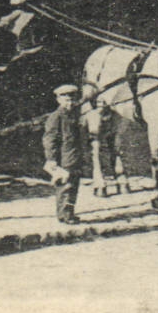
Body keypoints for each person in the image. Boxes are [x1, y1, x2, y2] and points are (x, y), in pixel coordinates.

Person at [42, 83, 88, 224]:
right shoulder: (56, 117)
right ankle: (64, 215)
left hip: (75, 157)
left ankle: (69, 213)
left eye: (72, 100)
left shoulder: (74, 116)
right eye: (66, 100)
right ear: (59, 100)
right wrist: (51, 159)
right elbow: (50, 139)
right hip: (64, 158)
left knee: (73, 186)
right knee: (65, 186)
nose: (70, 103)